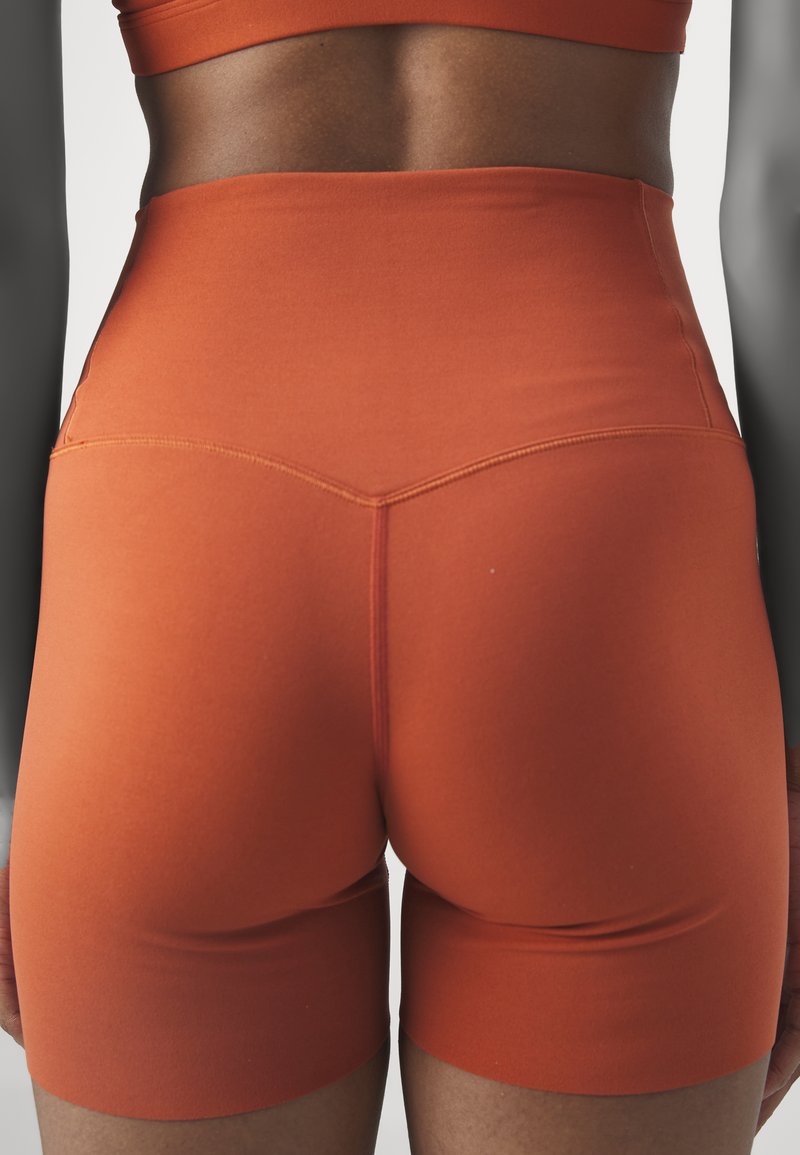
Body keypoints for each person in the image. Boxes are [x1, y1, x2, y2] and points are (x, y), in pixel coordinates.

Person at [1, 1, 799, 1151]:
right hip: (597, 519)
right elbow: (781, 200)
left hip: (183, 522)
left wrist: (4, 779)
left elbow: (9, 232)